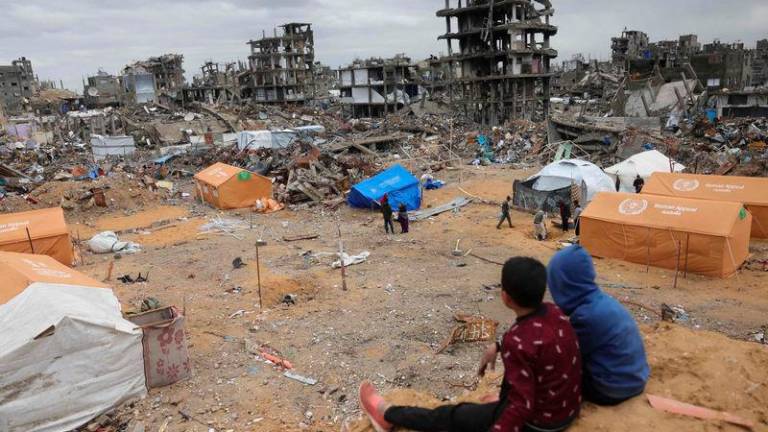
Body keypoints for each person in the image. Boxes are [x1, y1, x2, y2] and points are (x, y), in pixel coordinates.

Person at [359, 257, 582, 432]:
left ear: (505, 297)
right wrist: (498, 345)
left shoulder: (517, 341)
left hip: (539, 423)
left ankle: (386, 414)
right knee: (508, 394)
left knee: (451, 415)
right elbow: (538, 343)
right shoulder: (555, 313)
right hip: (566, 410)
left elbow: (521, 406)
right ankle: (498, 404)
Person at [547, 245, 650, 406]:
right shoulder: (601, 302)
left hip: (613, 390)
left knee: (556, 374)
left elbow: (565, 355)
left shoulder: (585, 317)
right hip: (637, 378)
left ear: (564, 284)